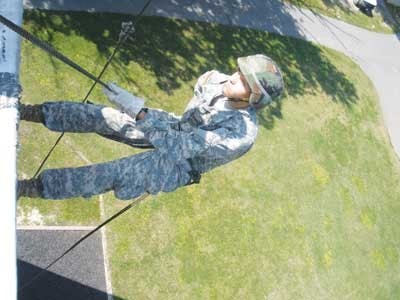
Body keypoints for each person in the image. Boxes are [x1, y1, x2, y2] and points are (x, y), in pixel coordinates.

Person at [17, 54, 284, 200]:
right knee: (103, 116)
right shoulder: (217, 80)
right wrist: (139, 114)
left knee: (111, 174)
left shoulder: (240, 133)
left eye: (245, 82)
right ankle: (28, 112)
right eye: (240, 70)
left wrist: (140, 112)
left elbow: (180, 149)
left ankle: (28, 188)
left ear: (254, 99)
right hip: (175, 127)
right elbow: (187, 118)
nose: (235, 76)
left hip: (180, 164)